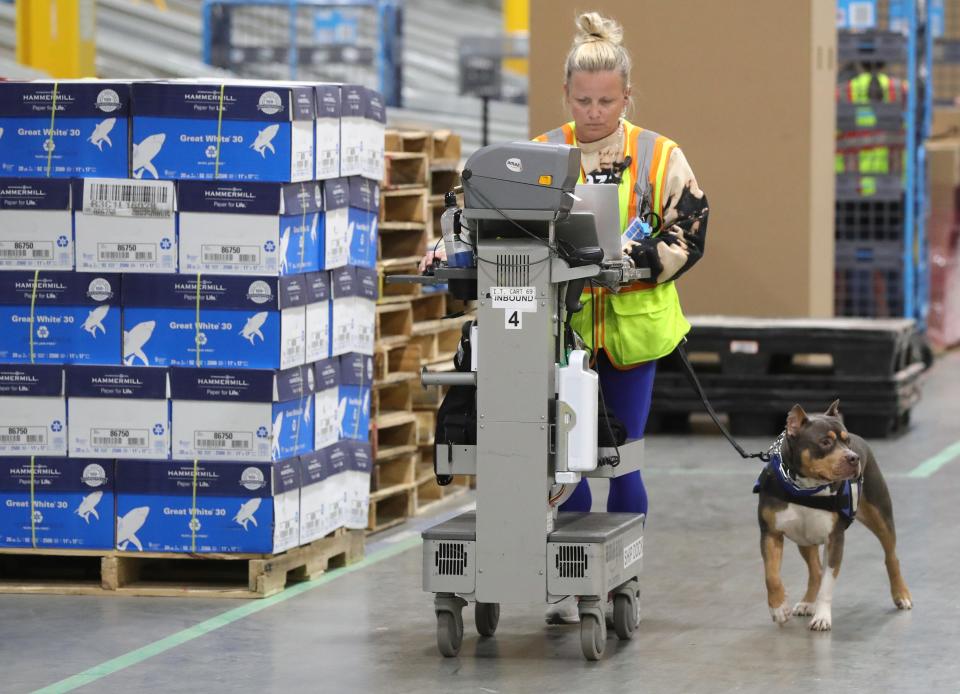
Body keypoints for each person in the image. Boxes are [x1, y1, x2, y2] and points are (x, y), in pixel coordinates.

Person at [422, 11, 710, 623]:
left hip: (635, 333)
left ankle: (619, 579)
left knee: (619, 453)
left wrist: (634, 262)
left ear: (627, 96)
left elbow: (690, 231)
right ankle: (574, 580)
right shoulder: (540, 155)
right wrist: (447, 249)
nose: (594, 112)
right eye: (583, 100)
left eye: (607, 101)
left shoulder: (661, 156)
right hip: (556, 334)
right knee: (562, 453)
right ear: (566, 96)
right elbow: (480, 215)